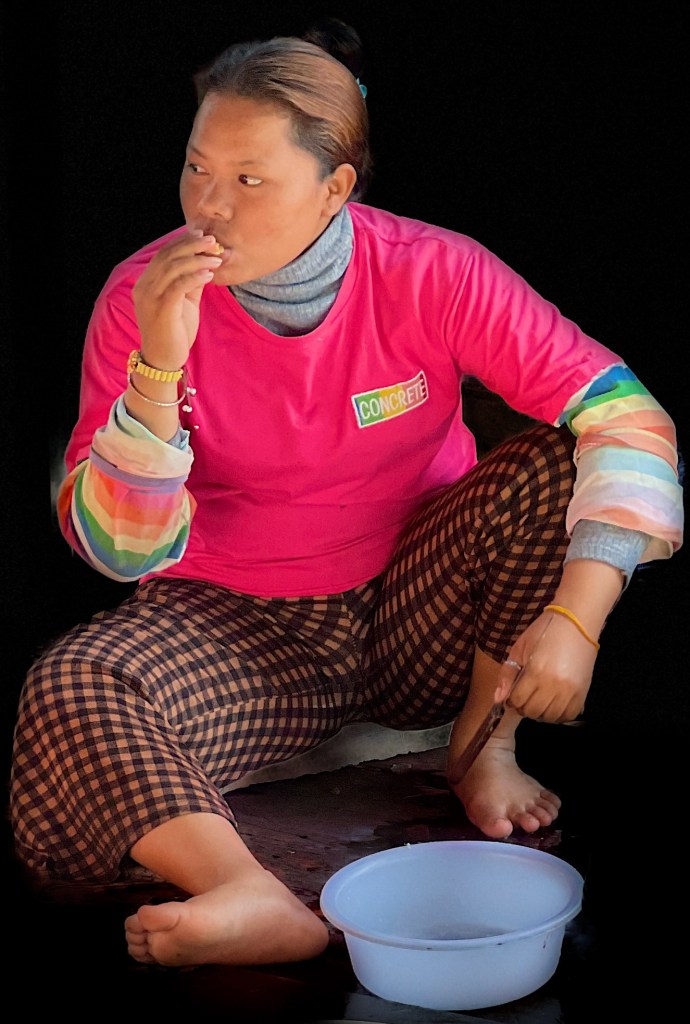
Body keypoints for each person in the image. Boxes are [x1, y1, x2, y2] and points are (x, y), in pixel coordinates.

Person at [10, 18, 683, 970]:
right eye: (197, 169)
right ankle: (246, 891)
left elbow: (625, 414)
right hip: (239, 632)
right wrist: (158, 366)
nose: (210, 208)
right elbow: (121, 554)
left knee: (550, 460)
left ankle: (481, 747)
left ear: (335, 188)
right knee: (73, 682)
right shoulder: (138, 298)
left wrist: (579, 614)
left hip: (423, 612)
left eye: (250, 180)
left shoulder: (432, 271)